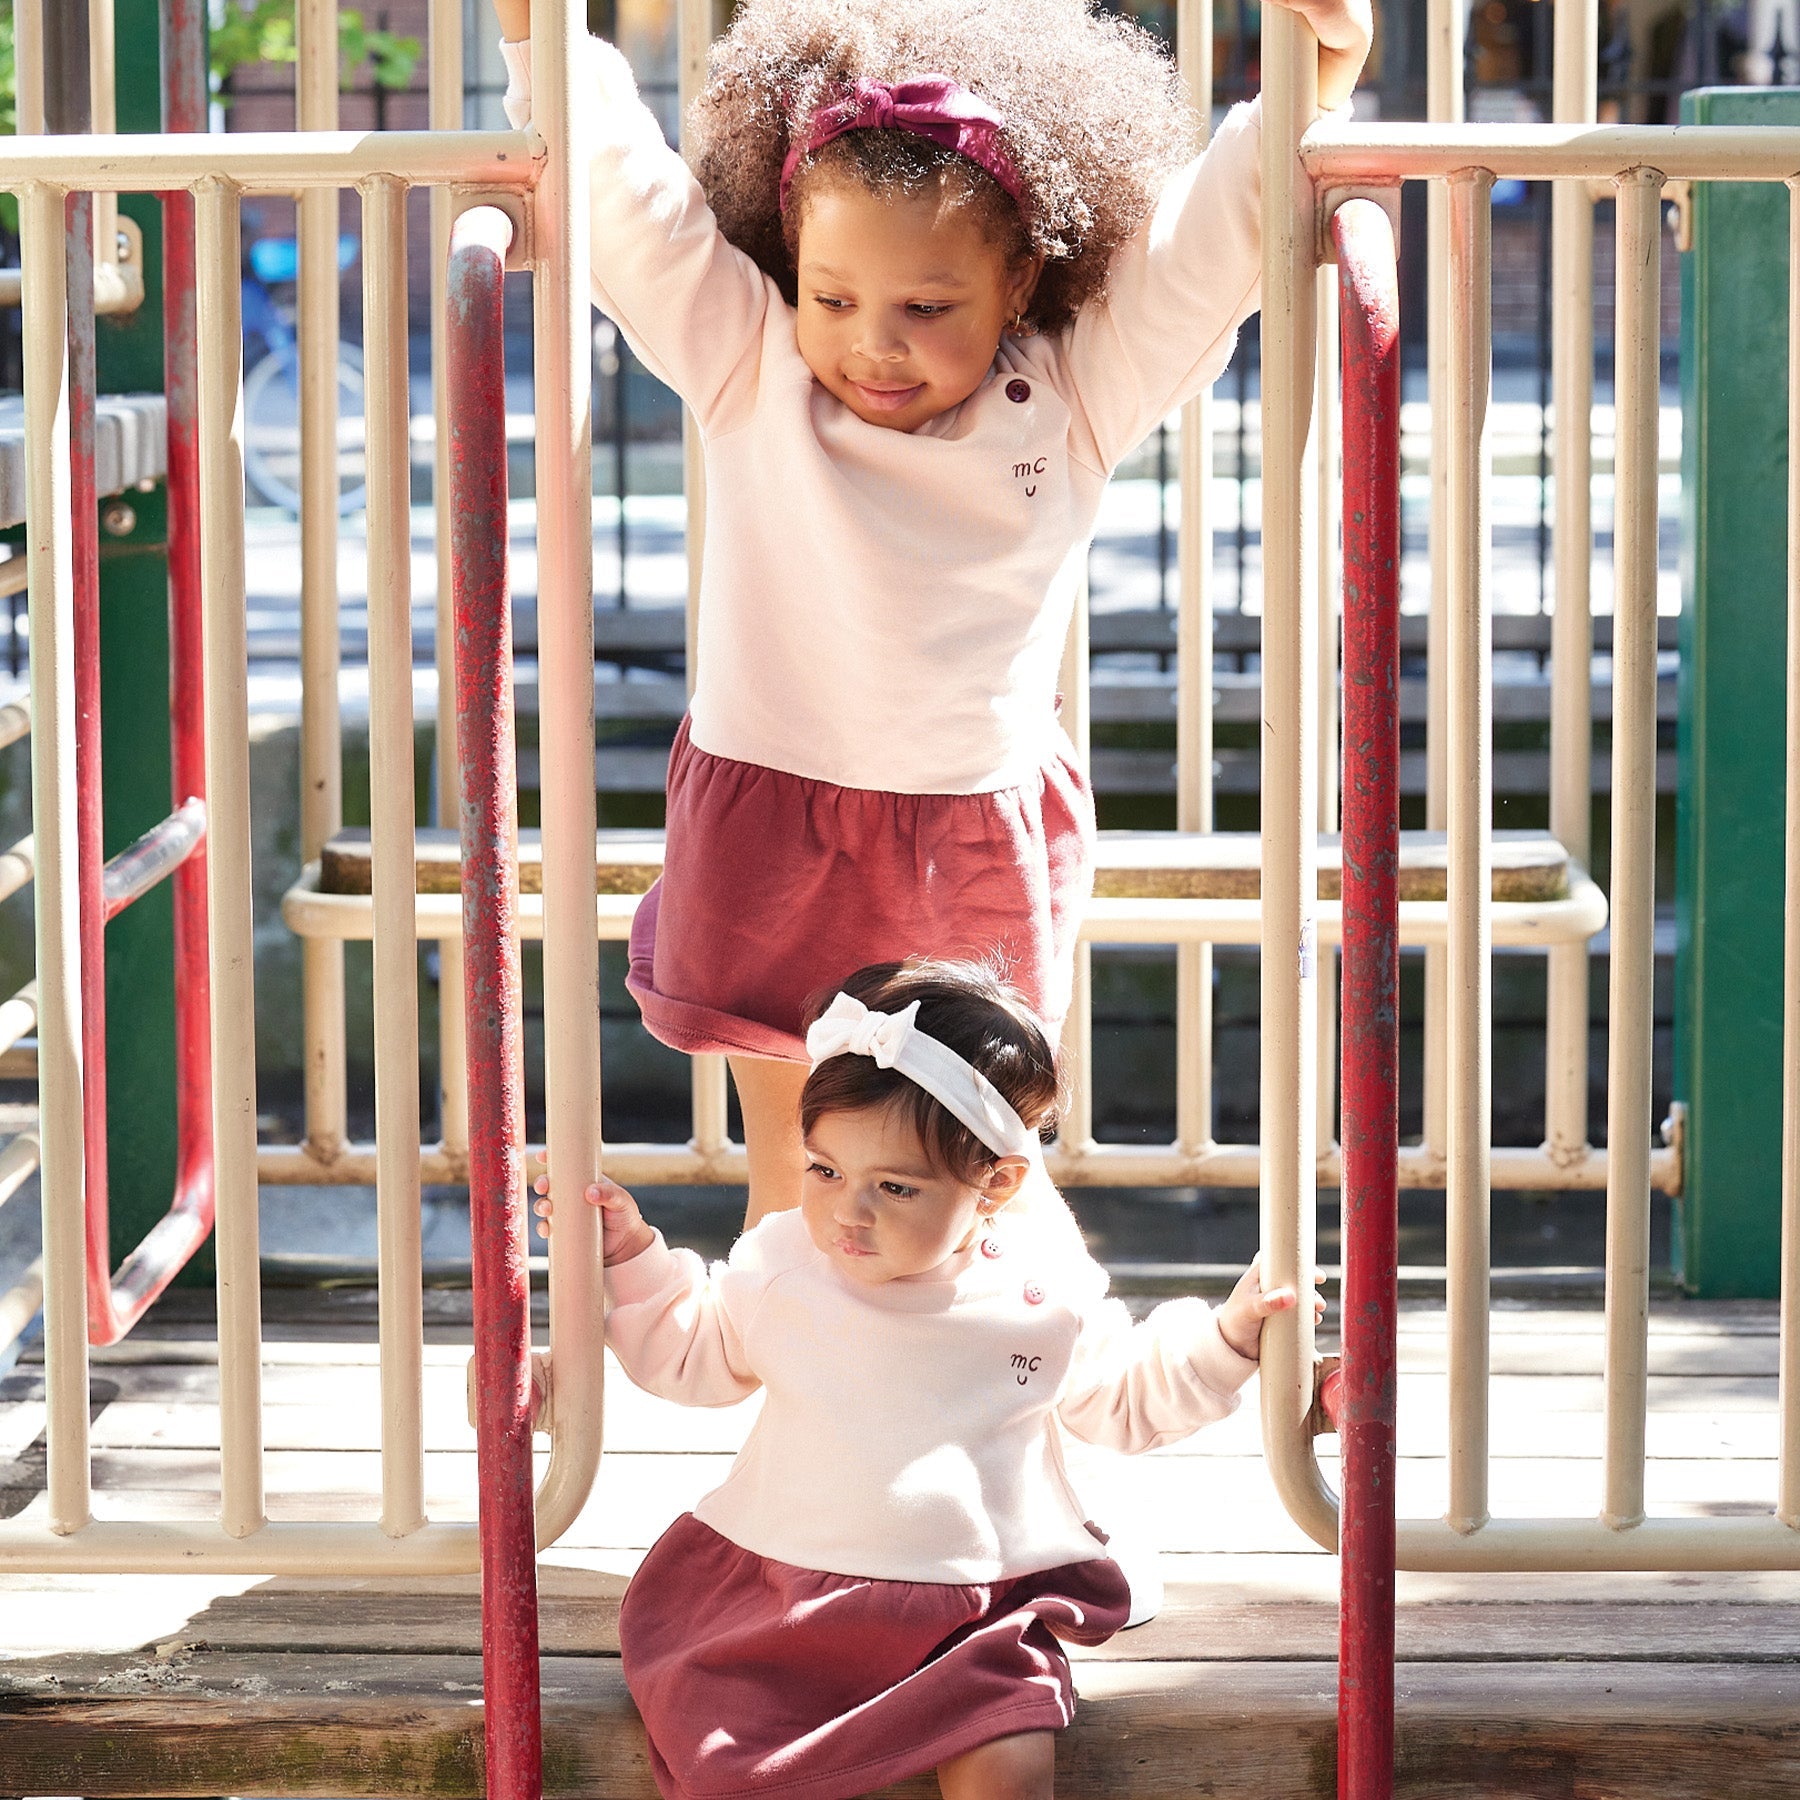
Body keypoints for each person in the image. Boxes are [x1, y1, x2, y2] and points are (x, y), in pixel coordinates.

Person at [491, 0, 1373, 1228]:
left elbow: (1199, 264)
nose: (874, 345)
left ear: (1019, 281)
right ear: (792, 264)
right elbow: (632, 209)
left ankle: (989, 1407)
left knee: (974, 1183)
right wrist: (545, 42)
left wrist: (1306, 90)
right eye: (834, 296)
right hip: (772, 823)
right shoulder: (757, 367)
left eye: (927, 307)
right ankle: (798, 1408)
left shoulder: (1069, 398)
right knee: (801, 1185)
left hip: (972, 837)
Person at [535, 958, 1324, 1800]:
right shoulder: (786, 1268)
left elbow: (1125, 1398)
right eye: (824, 1170)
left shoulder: (1035, 1293)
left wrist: (1230, 1338)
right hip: (787, 1594)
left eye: (895, 1187)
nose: (849, 1212)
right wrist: (631, 1254)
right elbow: (690, 1353)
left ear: (996, 1183)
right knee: (737, 1753)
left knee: (1007, 1750)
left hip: (974, 1611)